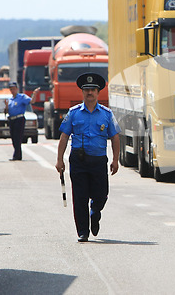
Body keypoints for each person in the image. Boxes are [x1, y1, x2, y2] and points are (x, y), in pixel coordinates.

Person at [55, 72, 120, 242]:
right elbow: (64, 136)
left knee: (102, 194)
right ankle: (83, 231)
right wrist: (59, 159)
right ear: (82, 92)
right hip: (79, 161)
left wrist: (115, 159)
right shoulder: (74, 113)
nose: (89, 93)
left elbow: (115, 137)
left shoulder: (107, 114)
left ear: (98, 92)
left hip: (98, 161)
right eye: (86, 90)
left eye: (93, 90)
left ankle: (95, 211)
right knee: (80, 196)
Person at [4, 82, 39, 161]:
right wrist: (6, 106)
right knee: (13, 138)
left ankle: (17, 155)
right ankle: (17, 154)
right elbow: (7, 111)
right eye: (11, 89)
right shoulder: (10, 99)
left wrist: (34, 94)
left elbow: (32, 101)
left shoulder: (22, 97)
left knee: (17, 137)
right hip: (12, 119)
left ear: (17, 89)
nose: (12, 90)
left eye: (14, 89)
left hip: (19, 119)